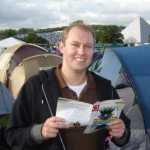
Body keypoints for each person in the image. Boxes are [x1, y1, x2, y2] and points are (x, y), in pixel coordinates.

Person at [6, 21, 130, 150]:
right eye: (75, 45)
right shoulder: (36, 86)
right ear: (61, 47)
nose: (81, 52)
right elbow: (12, 136)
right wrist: (40, 131)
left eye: (88, 46)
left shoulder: (105, 87)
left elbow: (124, 131)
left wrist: (120, 133)